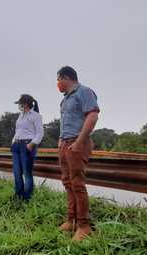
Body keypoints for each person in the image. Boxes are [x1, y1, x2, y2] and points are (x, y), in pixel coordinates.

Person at [55, 66, 100, 241]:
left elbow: (92, 116)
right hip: (66, 143)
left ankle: (83, 225)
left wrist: (80, 141)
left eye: (59, 79)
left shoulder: (84, 92)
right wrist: (60, 139)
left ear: (66, 77)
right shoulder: (65, 100)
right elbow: (64, 122)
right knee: (67, 181)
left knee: (77, 183)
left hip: (77, 142)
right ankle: (71, 220)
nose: (58, 84)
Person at [11, 94, 43, 201]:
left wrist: (31, 144)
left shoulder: (35, 115)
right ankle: (18, 196)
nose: (19, 106)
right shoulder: (21, 115)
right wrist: (13, 142)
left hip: (27, 145)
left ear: (25, 104)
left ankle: (27, 198)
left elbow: (40, 133)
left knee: (27, 173)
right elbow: (18, 130)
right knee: (16, 172)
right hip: (17, 146)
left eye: (20, 104)